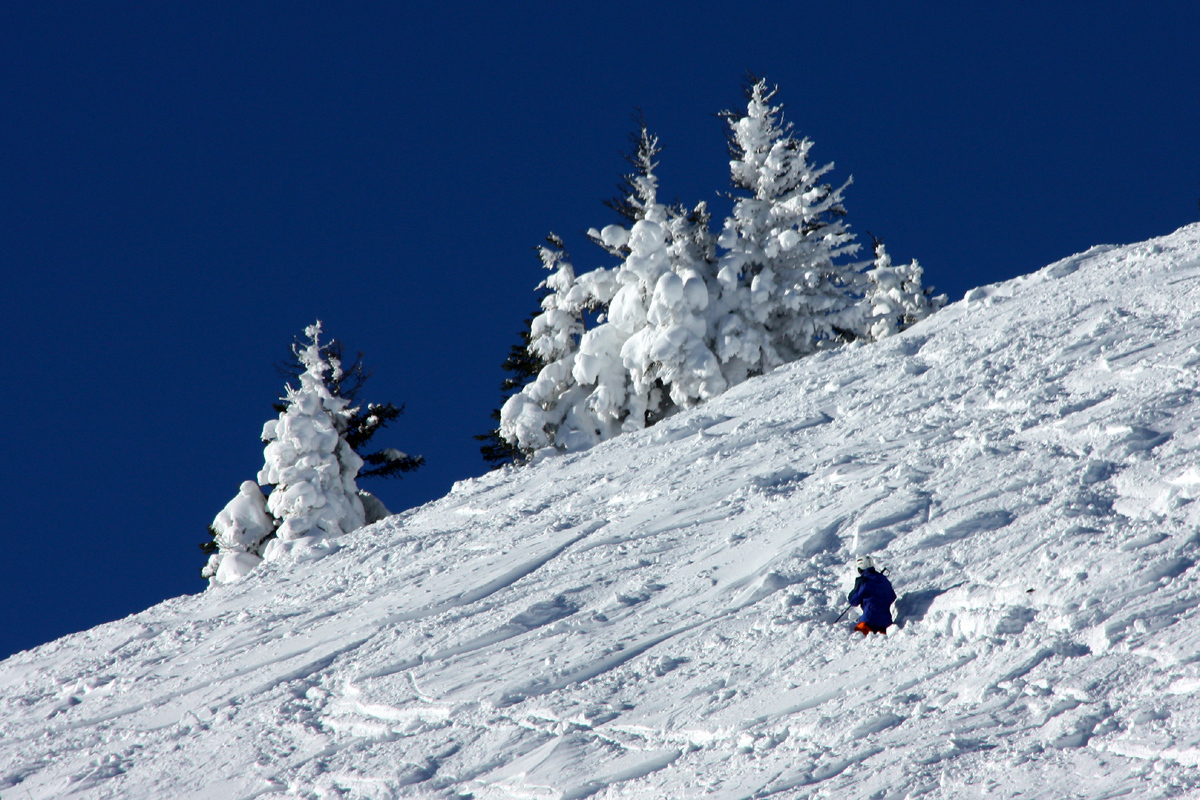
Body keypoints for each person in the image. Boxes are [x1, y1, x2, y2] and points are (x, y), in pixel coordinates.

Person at [848, 554, 896, 635]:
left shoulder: (863, 581)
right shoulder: (884, 579)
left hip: (868, 621)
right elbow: (892, 597)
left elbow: (853, 600)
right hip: (886, 624)